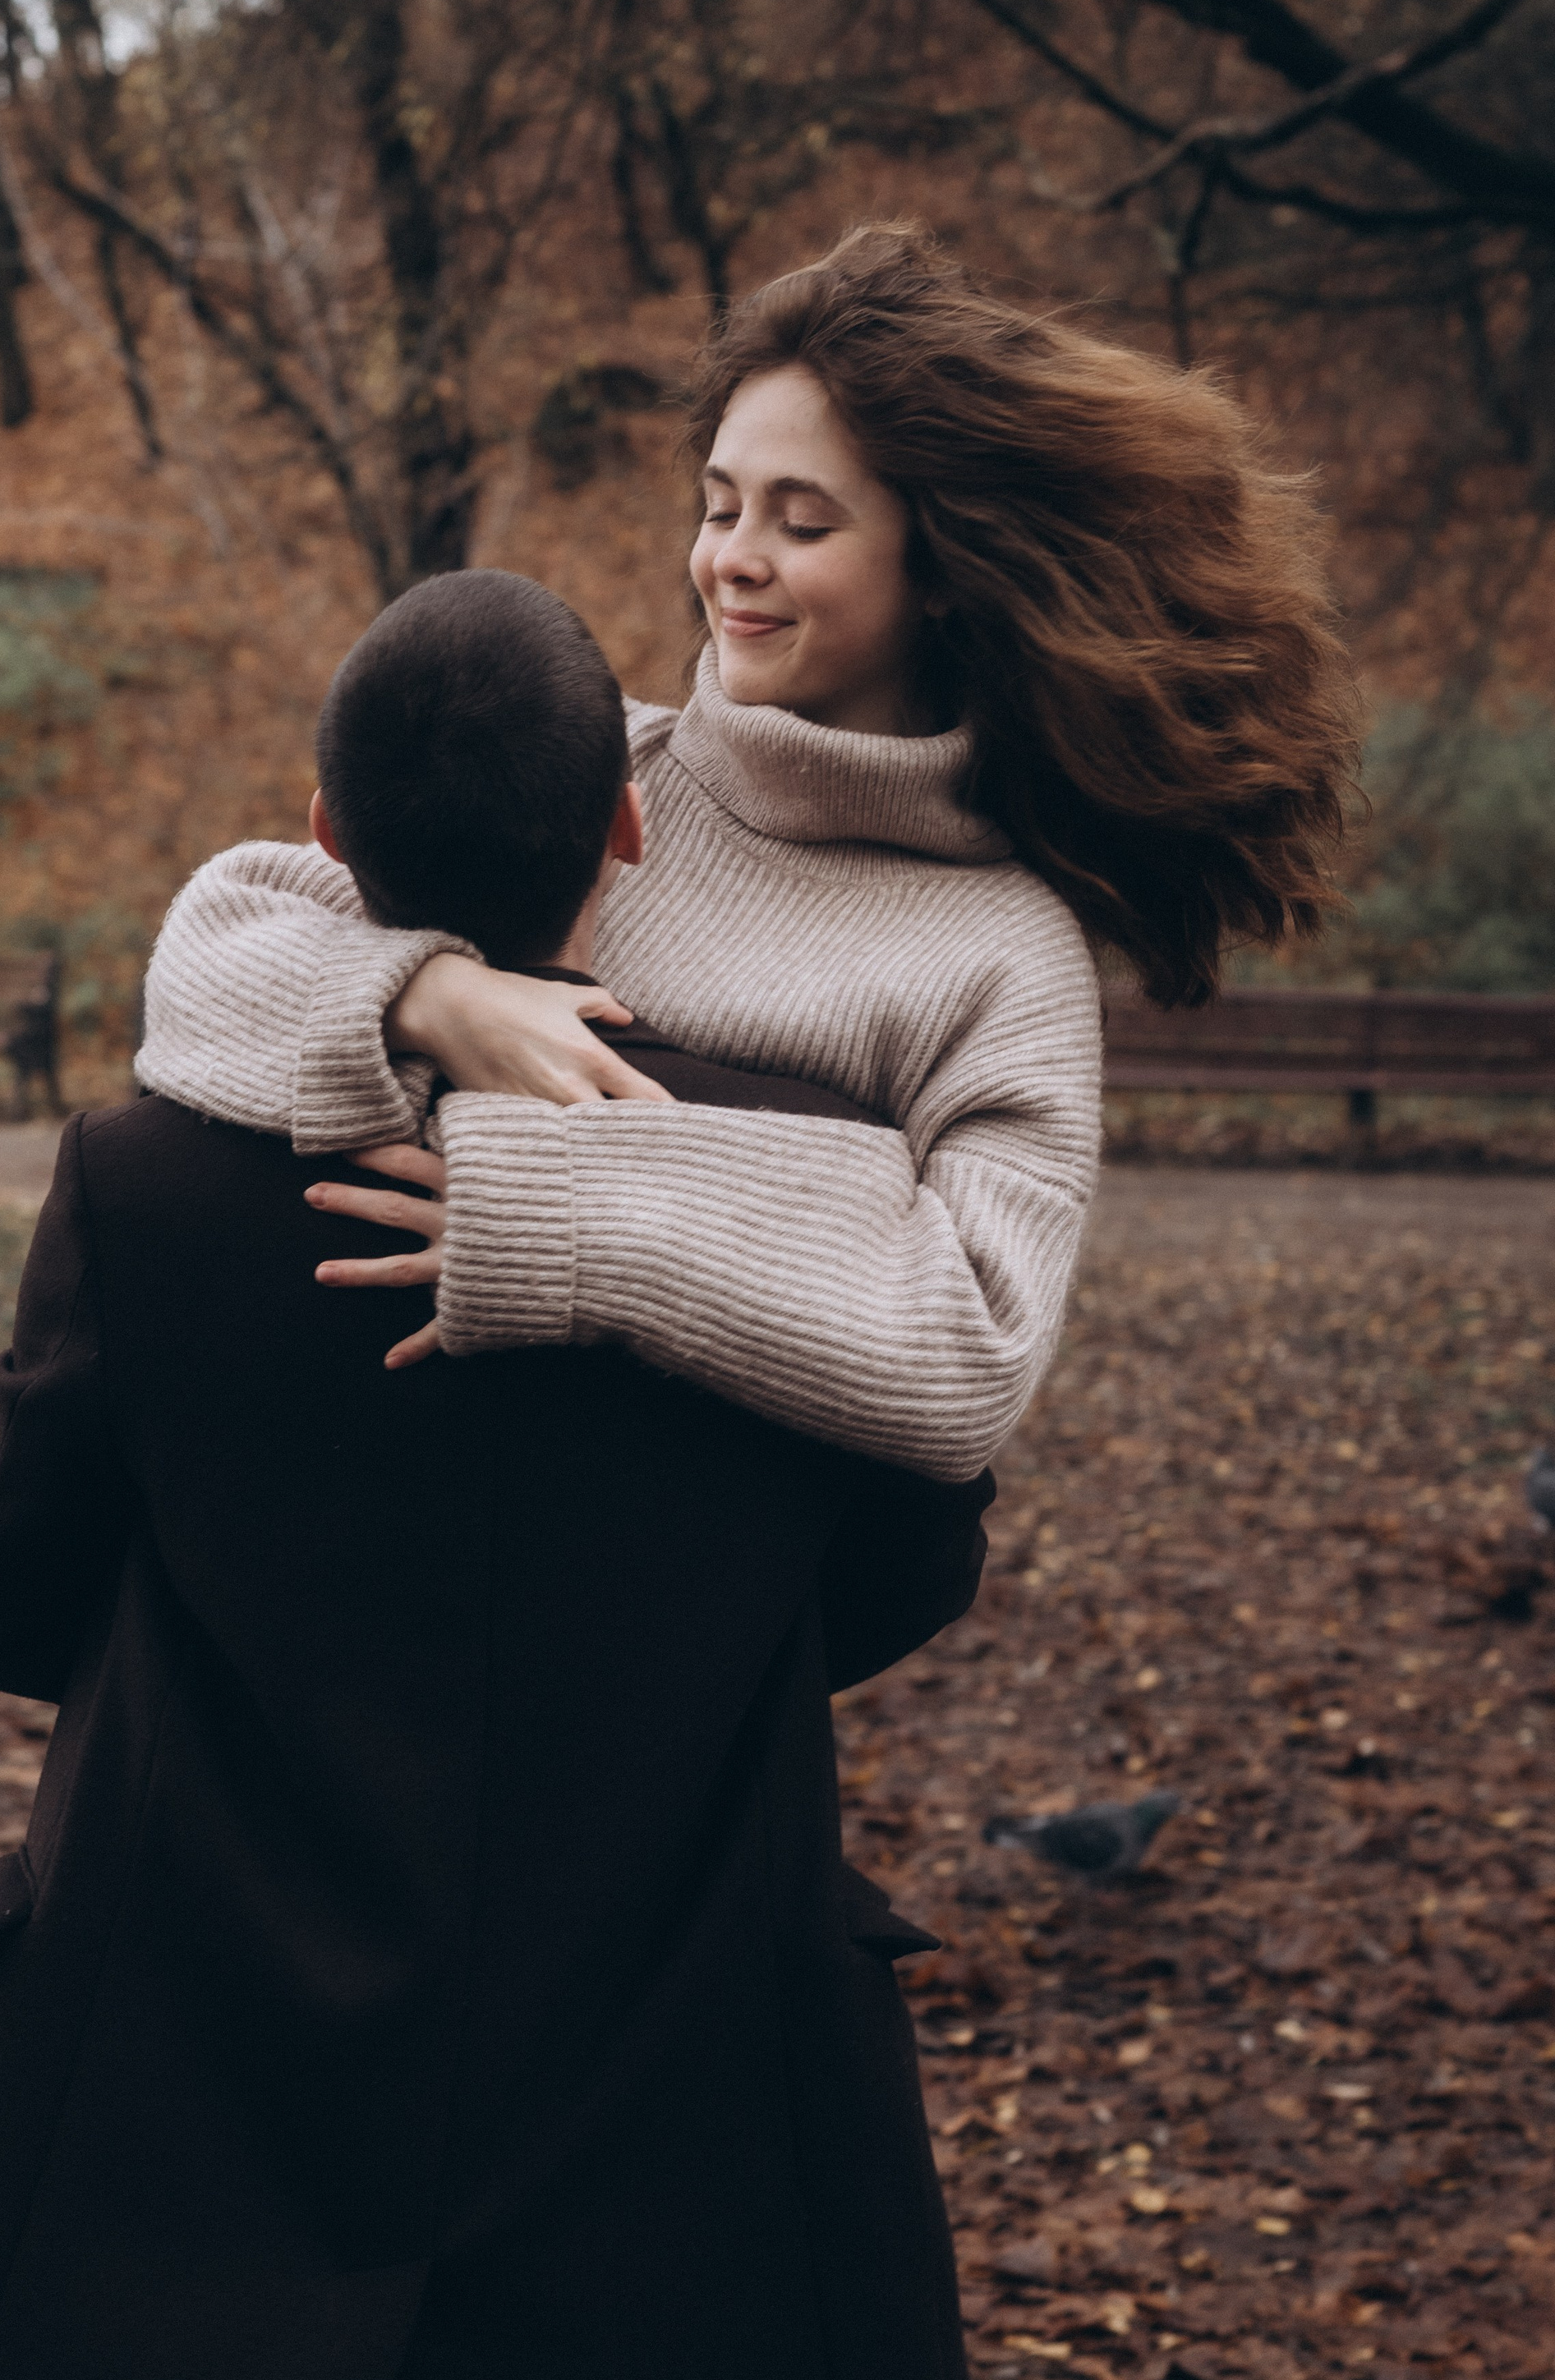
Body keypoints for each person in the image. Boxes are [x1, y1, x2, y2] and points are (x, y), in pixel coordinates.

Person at [0, 572, 1003, 2380]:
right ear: (628, 825)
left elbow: (1, 1599)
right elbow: (905, 1567)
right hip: (671, 2071)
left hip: (180, 2068)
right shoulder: (809, 1166)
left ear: (324, 836)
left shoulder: (145, 1183)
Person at [138, 220, 1358, 1477]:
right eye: (720, 506)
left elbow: (974, 1356)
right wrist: (425, 994)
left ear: (940, 568)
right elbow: (213, 943)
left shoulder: (1005, 956)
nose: (732, 560)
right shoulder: (601, 763)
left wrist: (571, 1211)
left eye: (803, 522)